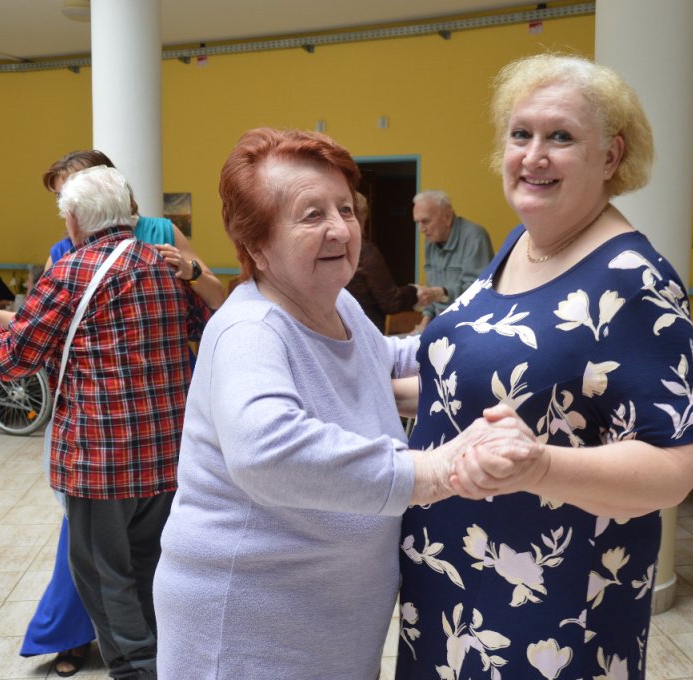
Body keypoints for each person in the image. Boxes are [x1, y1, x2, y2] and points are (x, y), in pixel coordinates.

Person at [152, 127, 540, 679]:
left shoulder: (338, 306)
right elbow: (268, 451)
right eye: (311, 215)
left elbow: (388, 358)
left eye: (346, 209)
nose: (340, 228)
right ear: (256, 245)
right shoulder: (250, 331)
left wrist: (498, 348)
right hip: (251, 636)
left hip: (326, 630)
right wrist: (435, 469)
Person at [396, 54, 693, 680]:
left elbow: (675, 467)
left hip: (548, 600)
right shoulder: (523, 243)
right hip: (449, 576)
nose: (533, 155)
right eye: (521, 134)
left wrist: (538, 465)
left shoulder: (634, 280)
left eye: (560, 136)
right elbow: (468, 389)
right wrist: (343, 383)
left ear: (611, 157)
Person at [0, 165, 212, 679]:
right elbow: (202, 326)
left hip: (99, 459)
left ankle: (138, 669)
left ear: (76, 220)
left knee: (105, 577)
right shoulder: (165, 264)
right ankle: (167, 661)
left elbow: (14, 359)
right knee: (150, 566)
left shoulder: (69, 271)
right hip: (166, 453)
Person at [43, 150, 226, 311]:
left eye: (76, 193)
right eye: (60, 196)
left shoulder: (161, 231)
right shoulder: (61, 253)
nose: (66, 204)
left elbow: (217, 299)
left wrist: (190, 272)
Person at [345, 191, 443, 331]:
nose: (421, 229)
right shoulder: (365, 252)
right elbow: (391, 302)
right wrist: (414, 292)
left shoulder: (327, 251)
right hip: (366, 331)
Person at [412, 189, 493, 330]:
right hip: (442, 324)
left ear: (447, 217)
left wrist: (441, 293)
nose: (421, 229)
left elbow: (478, 291)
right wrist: (425, 322)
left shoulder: (474, 236)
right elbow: (431, 289)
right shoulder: (431, 240)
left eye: (425, 221)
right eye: (417, 222)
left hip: (469, 324)